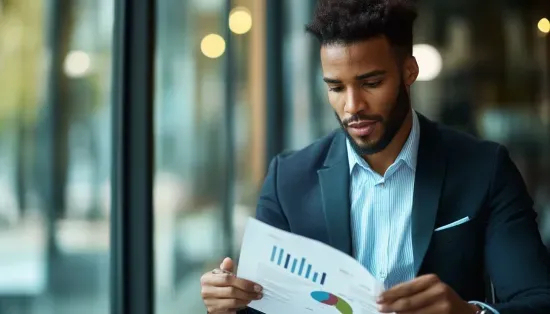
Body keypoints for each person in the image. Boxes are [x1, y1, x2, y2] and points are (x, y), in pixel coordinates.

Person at [200, 0, 550, 313]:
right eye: (336, 87)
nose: (352, 106)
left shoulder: (484, 169)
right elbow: (262, 305)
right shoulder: (288, 179)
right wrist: (228, 305)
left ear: (409, 72)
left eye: (370, 83)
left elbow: (538, 299)